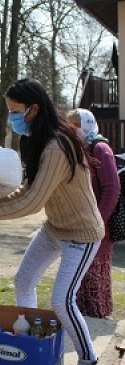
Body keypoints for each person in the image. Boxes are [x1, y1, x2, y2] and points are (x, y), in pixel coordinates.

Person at [0, 78, 105, 365]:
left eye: (15, 111)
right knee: (24, 279)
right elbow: (26, 191)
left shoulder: (58, 144)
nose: (12, 118)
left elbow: (31, 203)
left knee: (62, 300)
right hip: (54, 228)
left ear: (34, 109)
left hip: (82, 234)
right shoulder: (37, 140)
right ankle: (30, 342)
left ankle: (88, 358)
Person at [68, 108, 120, 318]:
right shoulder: (80, 150)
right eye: (69, 125)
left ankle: (97, 321)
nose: (71, 130)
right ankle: (83, 320)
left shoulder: (100, 149)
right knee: (79, 277)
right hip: (81, 226)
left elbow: (112, 188)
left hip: (98, 227)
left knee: (94, 276)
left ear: (87, 125)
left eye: (75, 125)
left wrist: (99, 219)